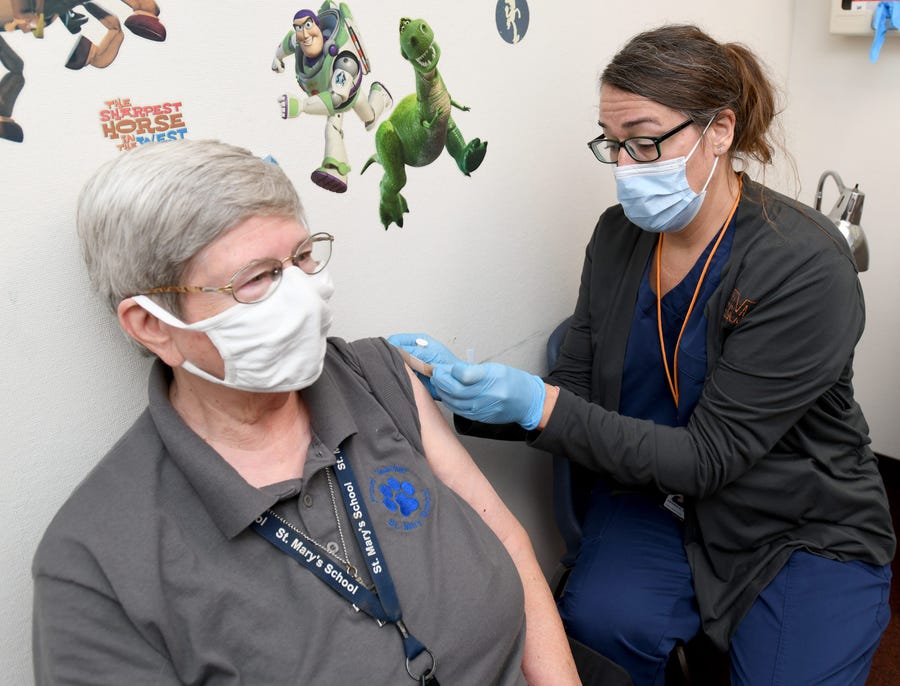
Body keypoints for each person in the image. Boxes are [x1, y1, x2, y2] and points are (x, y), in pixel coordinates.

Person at [391, 24, 896, 686]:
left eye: (646, 141)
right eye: (614, 143)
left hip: (796, 523)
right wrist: (465, 390)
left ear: (720, 130)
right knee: (597, 632)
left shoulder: (801, 265)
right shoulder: (616, 239)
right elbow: (576, 390)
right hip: (655, 501)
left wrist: (536, 405)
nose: (626, 167)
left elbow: (709, 457)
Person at [31, 139, 581, 685]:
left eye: (302, 257)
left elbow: (508, 543)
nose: (304, 293)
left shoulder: (375, 376)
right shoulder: (94, 561)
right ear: (154, 325)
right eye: (257, 277)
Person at [271, 3, 391, 193]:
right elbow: (287, 43)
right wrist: (278, 58)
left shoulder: (344, 60)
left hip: (342, 96)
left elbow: (335, 100)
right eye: (299, 28)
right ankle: (377, 101)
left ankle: (336, 168)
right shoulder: (300, 41)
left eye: (308, 26)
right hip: (329, 93)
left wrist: (302, 106)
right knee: (367, 119)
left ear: (317, 26)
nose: (304, 34)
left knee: (335, 127)